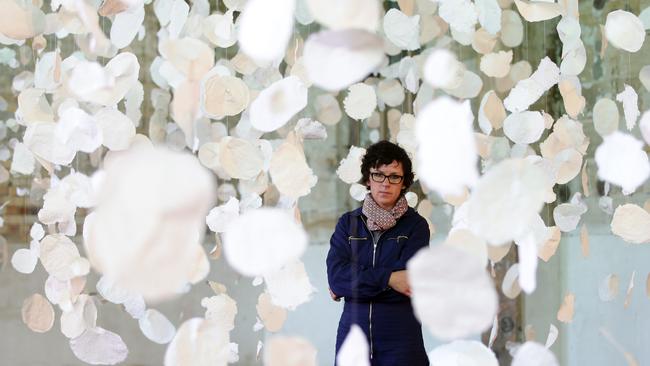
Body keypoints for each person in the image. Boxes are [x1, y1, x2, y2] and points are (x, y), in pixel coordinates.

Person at [326, 140, 430, 365]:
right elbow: (337, 278)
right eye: (378, 175)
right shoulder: (348, 224)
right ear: (367, 178)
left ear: (404, 183)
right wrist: (390, 278)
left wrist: (353, 286)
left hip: (401, 341)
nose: (385, 183)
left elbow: (410, 283)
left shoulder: (416, 227)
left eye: (394, 176)